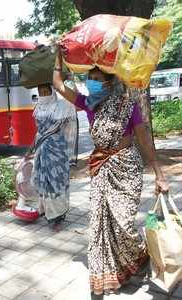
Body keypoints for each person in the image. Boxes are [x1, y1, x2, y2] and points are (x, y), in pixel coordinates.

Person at [53, 51, 169, 295]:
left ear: (109, 81)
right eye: (89, 77)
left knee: (124, 224)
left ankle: (139, 257)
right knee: (99, 225)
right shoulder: (88, 104)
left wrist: (159, 174)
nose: (91, 82)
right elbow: (58, 84)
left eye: (96, 78)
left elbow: (145, 140)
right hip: (101, 168)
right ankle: (104, 276)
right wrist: (58, 55)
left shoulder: (128, 106)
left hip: (126, 167)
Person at [31, 84, 77, 229]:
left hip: (57, 151)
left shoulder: (61, 107)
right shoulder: (37, 108)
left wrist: (66, 81)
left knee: (57, 183)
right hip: (41, 151)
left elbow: (73, 101)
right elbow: (38, 132)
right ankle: (48, 212)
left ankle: (59, 215)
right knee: (43, 181)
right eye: (41, 91)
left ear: (52, 92)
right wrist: (30, 150)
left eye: (46, 91)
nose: (43, 94)